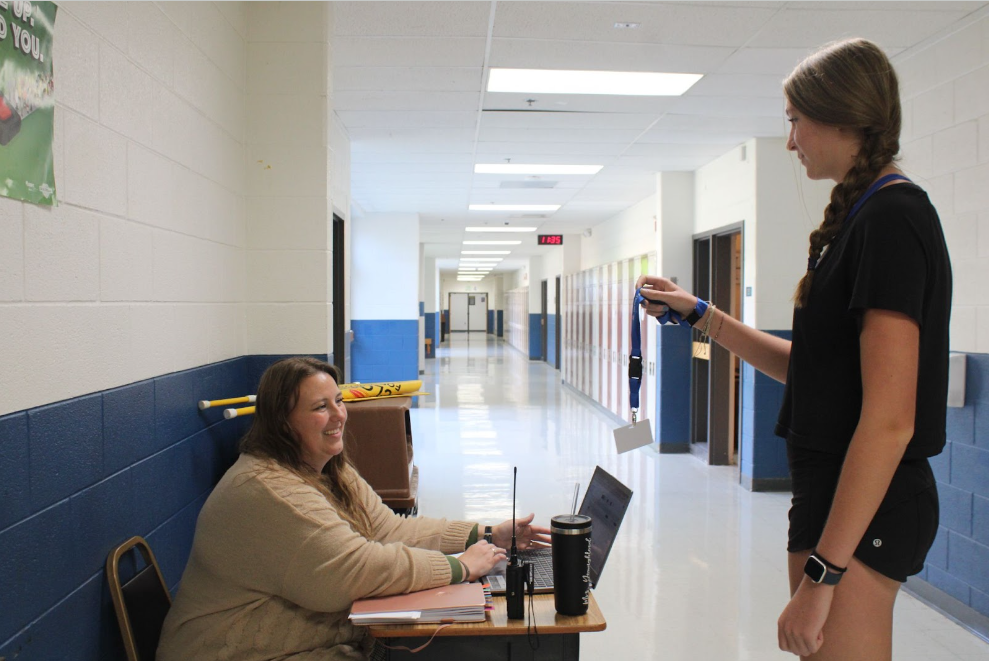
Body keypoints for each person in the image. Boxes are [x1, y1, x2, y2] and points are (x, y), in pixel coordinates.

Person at [636, 38, 951, 661]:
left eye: (794, 121)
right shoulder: (856, 221)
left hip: (866, 505)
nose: (789, 141)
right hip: (830, 494)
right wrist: (701, 314)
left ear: (839, 117)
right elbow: (809, 375)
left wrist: (824, 576)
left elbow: (890, 421)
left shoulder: (893, 219)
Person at [157, 356, 550, 661]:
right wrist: (460, 567)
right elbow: (356, 571)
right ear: (282, 423)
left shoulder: (326, 469)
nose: (339, 415)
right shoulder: (267, 490)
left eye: (339, 401)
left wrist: (485, 535)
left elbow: (389, 530)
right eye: (320, 407)